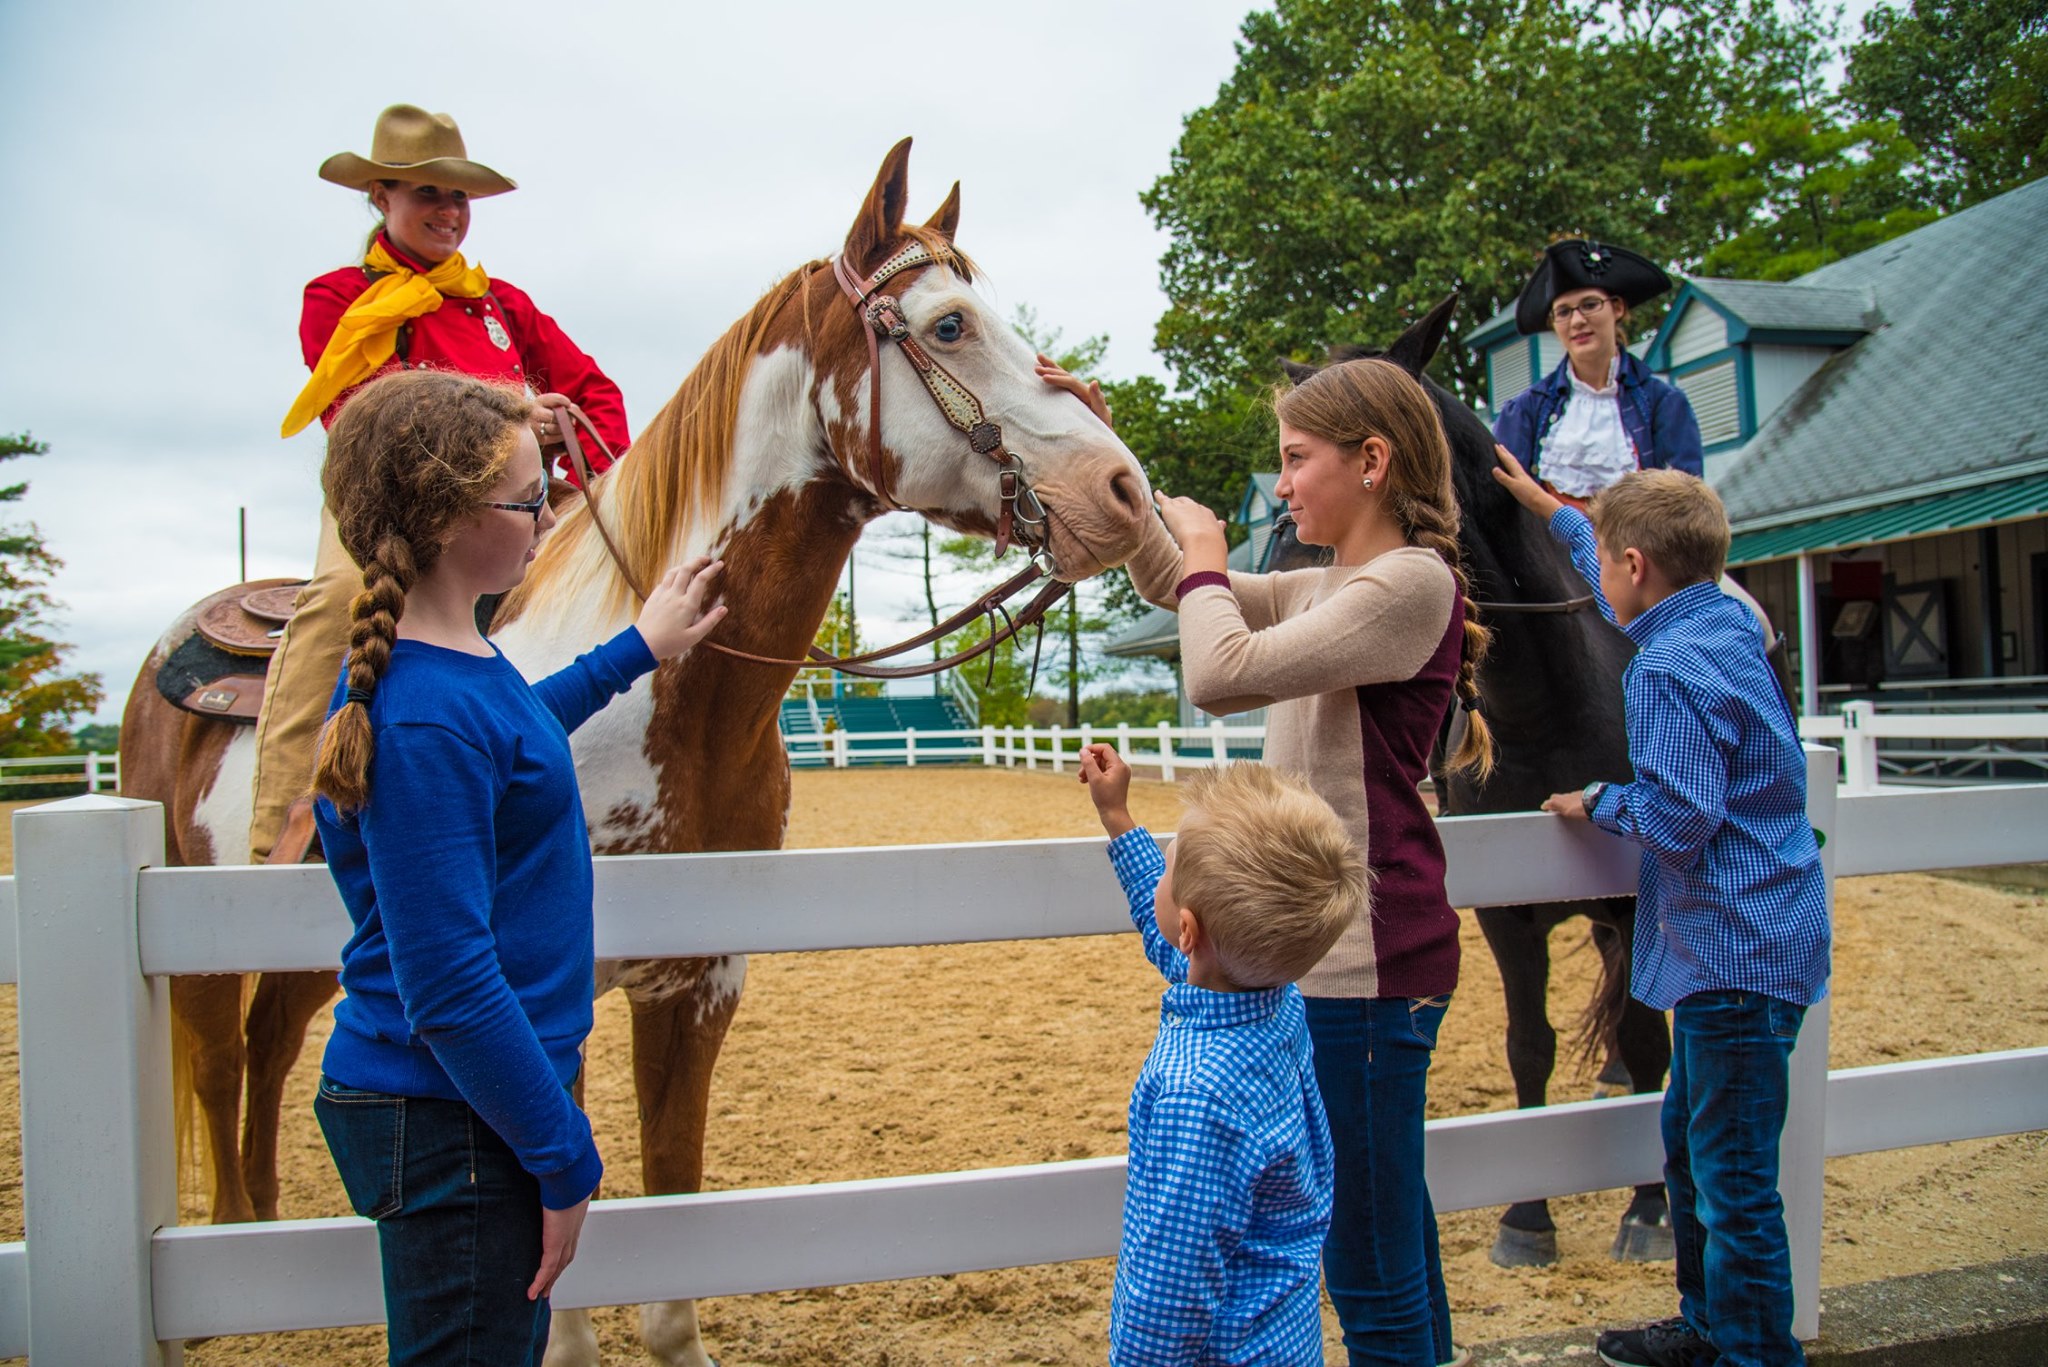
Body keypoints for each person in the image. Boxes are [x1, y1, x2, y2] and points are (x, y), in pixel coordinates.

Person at [1048, 354, 1493, 1367]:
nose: (1281, 483)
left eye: (1295, 459)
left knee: (1370, 1272)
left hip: (1365, 968)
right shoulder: (1331, 584)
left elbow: (1216, 670)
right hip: (1337, 960)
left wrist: (1207, 551)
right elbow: (1174, 583)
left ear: (1371, 461)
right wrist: (1112, 459)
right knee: (1387, 1236)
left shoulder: (1409, 583)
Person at [307, 369, 726, 1365]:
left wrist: (636, 647)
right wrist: (563, 1149)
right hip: (458, 1112)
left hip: (480, 1098)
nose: (549, 515)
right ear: (448, 520)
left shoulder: (451, 662)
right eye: (528, 499)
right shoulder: (423, 717)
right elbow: (449, 985)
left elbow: (516, 728)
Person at [1491, 453, 1831, 1367]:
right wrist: (1554, 514)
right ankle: (1707, 1325)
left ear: (1636, 564)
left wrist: (1597, 799)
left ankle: (1754, 1353)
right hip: (1770, 937)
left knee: (1732, 1182)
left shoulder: (1665, 672)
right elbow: (1619, 593)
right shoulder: (1723, 621)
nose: (1595, 577)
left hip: (1732, 955)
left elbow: (1680, 819)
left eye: (1603, 558)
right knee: (1688, 1146)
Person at [252, 102, 633, 864]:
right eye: (427, 192)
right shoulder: (338, 298)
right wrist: (518, 419)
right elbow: (369, 416)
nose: (449, 210)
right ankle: (282, 831)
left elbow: (595, 392)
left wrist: (591, 478)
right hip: (390, 503)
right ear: (380, 197)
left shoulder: (502, 303)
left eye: (459, 195)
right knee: (338, 599)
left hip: (520, 500)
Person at [1078, 746, 1363, 1366]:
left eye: (1167, 867)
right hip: (1284, 1341)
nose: (1162, 871)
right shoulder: (1277, 1004)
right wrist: (1117, 817)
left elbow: (1169, 1293)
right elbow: (1179, 942)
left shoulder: (1195, 1095)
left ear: (1189, 929)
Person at [1491, 238, 1702, 510]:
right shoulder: (1524, 413)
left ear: (1618, 307)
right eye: (1563, 312)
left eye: (1590, 305)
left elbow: (1686, 513)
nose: (1578, 321)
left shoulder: (1664, 404)